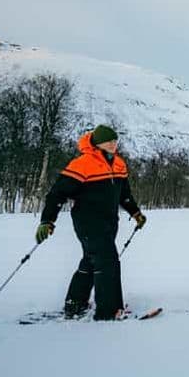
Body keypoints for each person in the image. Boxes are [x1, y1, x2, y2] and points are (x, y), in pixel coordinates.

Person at [35, 125, 147, 320]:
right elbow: (57, 194)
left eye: (115, 141)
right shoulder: (83, 163)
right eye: (108, 141)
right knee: (108, 261)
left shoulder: (119, 164)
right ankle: (109, 311)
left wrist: (135, 213)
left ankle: (75, 303)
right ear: (98, 143)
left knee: (91, 259)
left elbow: (124, 195)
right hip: (87, 221)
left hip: (109, 221)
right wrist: (47, 221)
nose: (113, 144)